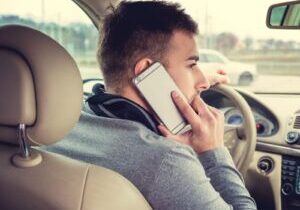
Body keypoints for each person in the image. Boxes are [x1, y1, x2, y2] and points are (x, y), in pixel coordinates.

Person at [44, 1, 257, 209]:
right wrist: (214, 151)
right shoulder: (166, 160)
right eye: (192, 64)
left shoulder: (57, 125)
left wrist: (191, 76)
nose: (203, 83)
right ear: (147, 71)